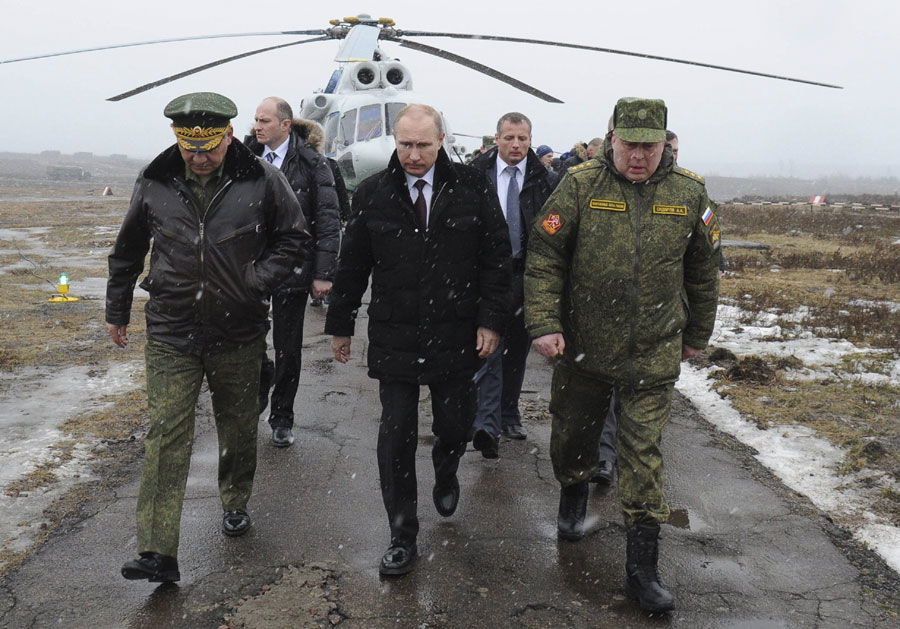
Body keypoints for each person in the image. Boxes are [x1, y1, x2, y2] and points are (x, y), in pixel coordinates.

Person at [525, 97, 720, 612]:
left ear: (664, 143)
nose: (638, 156)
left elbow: (703, 270)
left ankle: (642, 572)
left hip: (653, 351)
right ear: (612, 139)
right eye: (629, 144)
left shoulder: (689, 193)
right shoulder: (581, 185)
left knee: (642, 457)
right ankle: (573, 493)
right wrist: (544, 323)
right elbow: (544, 256)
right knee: (573, 437)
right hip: (584, 346)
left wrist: (697, 331)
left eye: (648, 146)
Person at [107, 92, 310, 583]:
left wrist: (255, 282)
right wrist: (117, 310)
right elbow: (129, 247)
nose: (199, 158)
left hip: (238, 331)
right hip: (171, 330)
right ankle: (157, 550)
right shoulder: (156, 181)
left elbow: (294, 238)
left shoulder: (262, 179)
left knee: (237, 427)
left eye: (209, 148)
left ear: (229, 136)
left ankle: (235, 498)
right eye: (189, 148)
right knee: (167, 433)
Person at [325, 104, 511, 576]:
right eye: (404, 144)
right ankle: (402, 534)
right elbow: (352, 266)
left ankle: (447, 469)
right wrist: (341, 324)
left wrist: (491, 321)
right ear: (395, 140)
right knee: (396, 433)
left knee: (455, 424)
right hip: (396, 334)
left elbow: (496, 259)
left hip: (456, 332)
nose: (412, 154)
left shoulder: (472, 188)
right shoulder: (373, 193)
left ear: (442, 139)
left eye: (422, 145)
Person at [247, 97, 341, 447]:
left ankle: (282, 416)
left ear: (286, 125)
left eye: (266, 121)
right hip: (251, 269)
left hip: (293, 267)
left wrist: (324, 272)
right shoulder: (245, 161)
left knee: (288, 346)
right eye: (256, 120)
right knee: (250, 339)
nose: (258, 127)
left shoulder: (313, 164)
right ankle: (260, 380)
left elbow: (329, 222)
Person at [469, 112, 558, 458]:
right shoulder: (476, 175)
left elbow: (556, 226)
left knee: (517, 348)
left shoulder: (545, 179)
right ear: (497, 139)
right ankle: (486, 422)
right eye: (509, 138)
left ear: (530, 139)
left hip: (527, 274)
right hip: (486, 273)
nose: (516, 144)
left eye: (522, 138)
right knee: (488, 343)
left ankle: (508, 413)